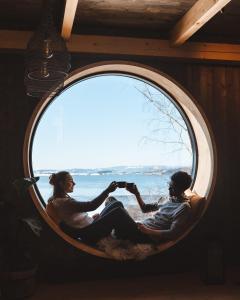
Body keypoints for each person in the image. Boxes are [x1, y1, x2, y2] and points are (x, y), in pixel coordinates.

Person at [46, 171, 151, 244]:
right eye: (70, 180)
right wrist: (107, 191)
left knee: (113, 202)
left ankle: (123, 232)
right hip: (88, 234)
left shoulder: (59, 199)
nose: (74, 183)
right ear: (61, 184)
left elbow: (76, 216)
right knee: (118, 212)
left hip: (91, 226)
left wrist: (93, 219)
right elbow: (91, 206)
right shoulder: (64, 202)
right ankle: (141, 238)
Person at [126, 171, 193, 242]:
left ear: (181, 189)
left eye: (173, 187)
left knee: (117, 210)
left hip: (148, 236)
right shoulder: (169, 199)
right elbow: (145, 209)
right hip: (142, 227)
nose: (169, 189)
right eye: (169, 185)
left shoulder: (184, 207)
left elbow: (172, 233)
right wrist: (136, 193)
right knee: (116, 204)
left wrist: (147, 231)